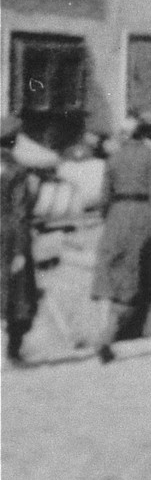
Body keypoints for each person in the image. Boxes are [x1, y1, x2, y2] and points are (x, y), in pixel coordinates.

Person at [92, 113, 151, 364]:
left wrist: (110, 221)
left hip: (118, 218)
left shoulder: (114, 158)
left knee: (122, 279)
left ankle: (107, 338)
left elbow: (104, 199)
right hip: (144, 217)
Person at [2, 117, 41, 365]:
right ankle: (12, 352)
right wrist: (20, 250)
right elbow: (20, 213)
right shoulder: (17, 171)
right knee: (19, 295)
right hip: (9, 236)